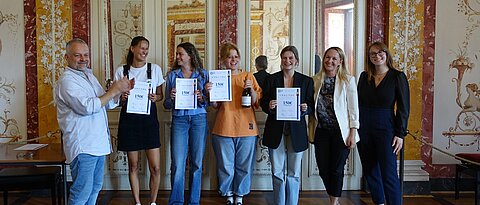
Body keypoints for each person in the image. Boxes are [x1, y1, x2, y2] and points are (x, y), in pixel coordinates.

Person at [55, 38, 132, 205]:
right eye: (77, 55)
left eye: (86, 55)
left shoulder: (88, 75)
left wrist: (119, 93)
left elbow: (107, 103)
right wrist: (113, 91)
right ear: (66, 57)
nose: (83, 59)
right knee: (81, 192)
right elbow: (87, 107)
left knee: (95, 188)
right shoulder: (67, 81)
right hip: (83, 145)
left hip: (98, 144)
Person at [206, 43, 261, 205]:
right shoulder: (218, 77)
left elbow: (257, 102)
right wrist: (210, 93)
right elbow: (215, 105)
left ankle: (240, 195)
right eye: (230, 57)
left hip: (247, 128)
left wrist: (250, 89)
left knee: (244, 166)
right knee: (225, 165)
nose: (233, 60)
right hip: (224, 127)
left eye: (236, 56)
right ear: (223, 59)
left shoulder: (248, 76)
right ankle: (228, 193)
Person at [357, 41, 410, 205]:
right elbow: (356, 103)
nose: (377, 56)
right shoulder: (364, 76)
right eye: (372, 54)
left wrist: (400, 134)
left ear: (386, 54)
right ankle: (378, 202)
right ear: (369, 57)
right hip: (363, 127)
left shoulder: (397, 76)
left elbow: (403, 108)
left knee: (389, 172)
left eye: (380, 53)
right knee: (370, 171)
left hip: (386, 128)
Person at [114, 36, 164, 205]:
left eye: (146, 49)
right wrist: (123, 96)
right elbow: (116, 99)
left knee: (156, 168)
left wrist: (155, 97)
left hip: (149, 121)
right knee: (133, 166)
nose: (145, 51)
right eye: (142, 48)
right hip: (129, 121)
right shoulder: (122, 71)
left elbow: (160, 96)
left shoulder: (155, 69)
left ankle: (153, 202)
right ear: (132, 48)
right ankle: (137, 202)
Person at [260, 45, 314, 205]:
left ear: (296, 60)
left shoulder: (306, 81)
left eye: (290, 58)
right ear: (281, 60)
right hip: (275, 130)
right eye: (284, 58)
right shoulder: (271, 79)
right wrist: (268, 105)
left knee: (294, 172)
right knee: (277, 172)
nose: (287, 61)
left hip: (296, 131)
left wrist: (305, 108)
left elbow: (311, 105)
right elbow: (263, 103)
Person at [308, 47, 359, 205]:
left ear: (340, 62)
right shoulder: (315, 80)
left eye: (334, 59)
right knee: (323, 168)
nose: (329, 61)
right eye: (327, 57)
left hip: (341, 133)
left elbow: (353, 109)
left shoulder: (348, 81)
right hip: (321, 131)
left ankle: (333, 201)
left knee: (337, 169)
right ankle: (334, 198)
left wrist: (352, 133)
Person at [163, 42, 209, 205]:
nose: (177, 57)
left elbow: (208, 103)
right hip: (179, 120)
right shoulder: (172, 76)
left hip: (199, 119)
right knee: (178, 162)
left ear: (190, 55)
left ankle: (194, 201)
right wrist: (171, 97)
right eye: (177, 54)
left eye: (180, 54)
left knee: (197, 163)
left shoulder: (203, 75)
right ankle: (176, 201)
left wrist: (201, 97)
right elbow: (166, 105)